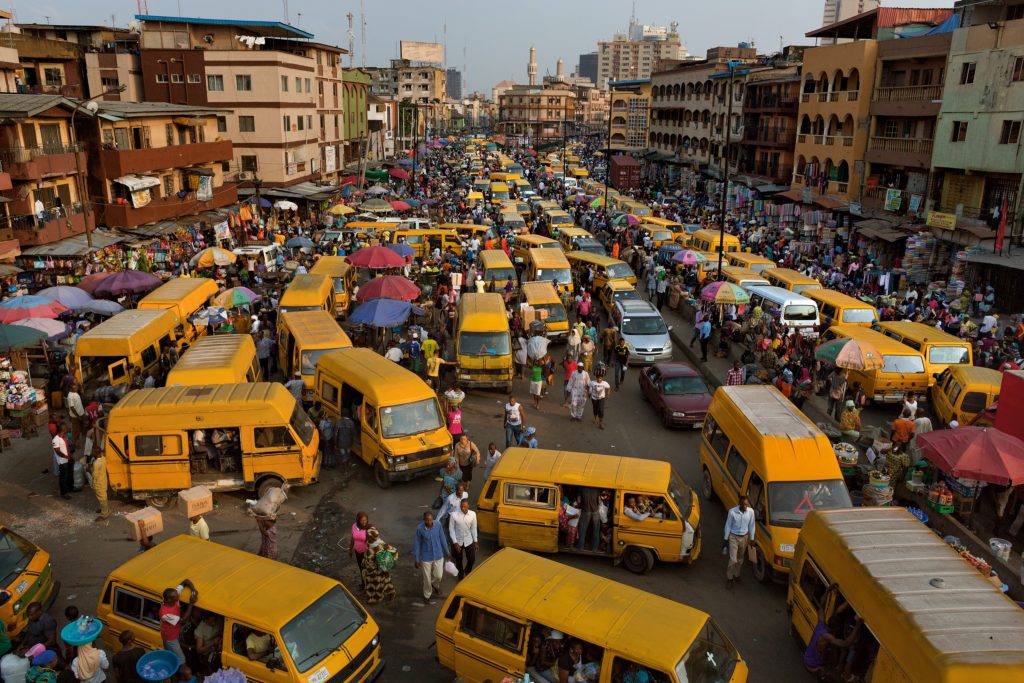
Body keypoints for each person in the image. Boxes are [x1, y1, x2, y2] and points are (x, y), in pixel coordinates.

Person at [803, 585, 863, 676]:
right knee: (834, 676)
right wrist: (858, 626)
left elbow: (821, 606)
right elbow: (846, 643)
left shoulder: (821, 624)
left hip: (807, 657)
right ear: (836, 629)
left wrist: (828, 590)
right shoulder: (827, 637)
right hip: (814, 666)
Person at [412, 511, 450, 603]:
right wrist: (417, 559)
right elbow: (417, 544)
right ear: (424, 520)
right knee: (426, 578)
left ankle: (435, 585)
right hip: (426, 557)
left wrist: (447, 552)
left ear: (433, 519)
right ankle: (427, 595)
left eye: (430, 520)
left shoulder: (438, 525)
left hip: (438, 555)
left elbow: (442, 538)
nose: (429, 522)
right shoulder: (420, 529)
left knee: (439, 575)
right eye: (427, 520)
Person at [159, 580, 197, 665]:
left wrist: (193, 591)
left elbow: (186, 581)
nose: (178, 596)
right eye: (176, 596)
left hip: (177, 630)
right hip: (170, 637)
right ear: (169, 599)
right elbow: (183, 620)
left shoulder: (173, 597)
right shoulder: (165, 614)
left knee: (172, 653)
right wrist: (191, 603)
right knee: (181, 659)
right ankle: (179, 674)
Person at [723, 495, 755, 589]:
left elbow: (752, 526)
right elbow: (728, 525)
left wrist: (752, 539)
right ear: (739, 504)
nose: (745, 506)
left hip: (744, 537)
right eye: (743, 504)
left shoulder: (751, 512)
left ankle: (736, 575)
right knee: (733, 559)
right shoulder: (732, 512)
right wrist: (725, 539)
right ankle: (729, 578)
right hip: (733, 537)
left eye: (746, 505)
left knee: (740, 558)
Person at [361, 528, 398, 604]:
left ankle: (375, 599)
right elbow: (394, 551)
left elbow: (394, 551)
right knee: (385, 582)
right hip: (380, 569)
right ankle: (390, 593)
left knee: (376, 585)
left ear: (371, 537)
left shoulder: (378, 545)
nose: (366, 537)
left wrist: (387, 562)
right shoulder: (378, 543)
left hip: (374, 570)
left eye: (367, 536)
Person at [449, 499, 478, 579]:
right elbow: (451, 529)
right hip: (458, 542)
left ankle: (467, 571)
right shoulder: (454, 515)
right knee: (458, 560)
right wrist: (455, 542)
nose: (463, 508)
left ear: (468, 506)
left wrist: (475, 541)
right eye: (461, 506)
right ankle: (460, 573)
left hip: (469, 540)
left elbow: (474, 528)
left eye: (465, 506)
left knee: (472, 559)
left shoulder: (473, 514)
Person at [349, 512, 371, 590]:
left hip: (367, 553)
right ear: (358, 520)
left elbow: (374, 541)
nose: (364, 522)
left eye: (365, 520)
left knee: (368, 570)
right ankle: (364, 585)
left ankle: (370, 586)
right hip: (358, 551)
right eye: (362, 520)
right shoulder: (354, 526)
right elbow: (352, 538)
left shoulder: (369, 529)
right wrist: (350, 549)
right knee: (361, 569)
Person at [576, 487, 602, 552]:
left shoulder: (582, 488)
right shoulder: (597, 489)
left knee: (582, 530)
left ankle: (581, 547)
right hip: (595, 511)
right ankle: (594, 549)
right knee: (596, 531)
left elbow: (579, 500)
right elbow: (599, 500)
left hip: (585, 510)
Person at [52, 423, 72, 500]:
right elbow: (57, 451)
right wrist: (65, 456)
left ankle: (69, 488)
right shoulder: (55, 440)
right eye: (66, 427)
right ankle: (64, 493)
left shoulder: (64, 436)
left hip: (67, 459)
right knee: (63, 477)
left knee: (67, 475)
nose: (67, 428)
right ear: (63, 429)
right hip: (62, 461)